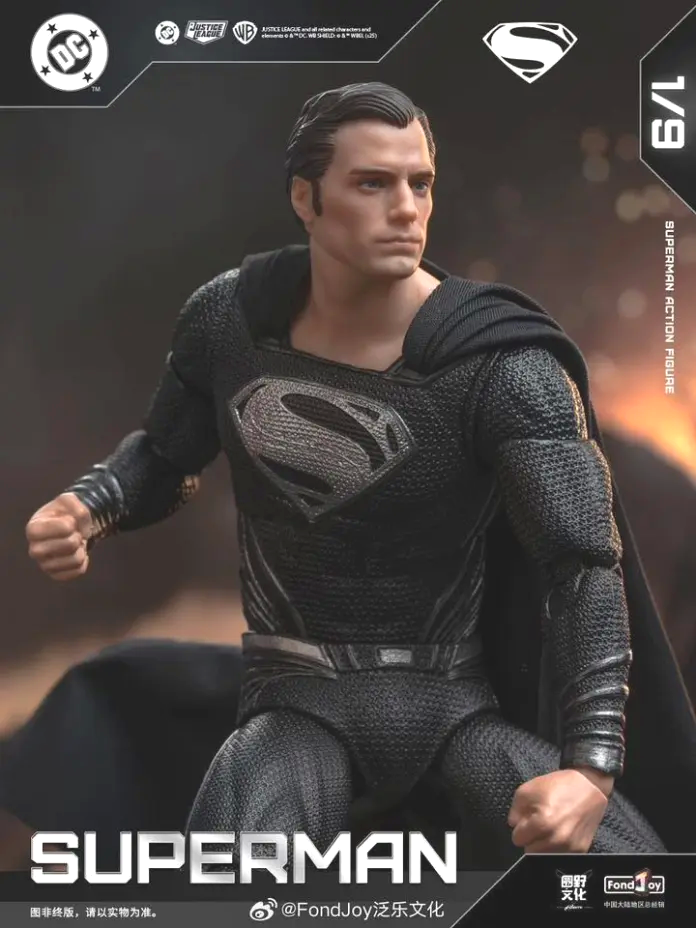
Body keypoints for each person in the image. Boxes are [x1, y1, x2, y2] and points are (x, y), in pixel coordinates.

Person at [20, 82, 696, 866]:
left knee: (638, 879)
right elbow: (166, 455)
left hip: (450, 707)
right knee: (231, 882)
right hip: (295, 702)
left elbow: (582, 568)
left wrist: (590, 768)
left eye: (420, 183)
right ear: (305, 198)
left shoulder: (502, 364)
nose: (406, 209)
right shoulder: (229, 323)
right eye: (372, 183)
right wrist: (90, 505)